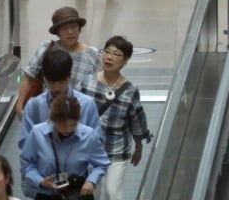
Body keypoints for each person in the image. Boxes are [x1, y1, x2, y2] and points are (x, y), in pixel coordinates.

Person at [80, 36, 151, 200]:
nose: (109, 57)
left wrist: (138, 147)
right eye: (107, 52)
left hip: (117, 149)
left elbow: (137, 120)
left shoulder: (130, 90)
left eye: (116, 54)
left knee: (113, 192)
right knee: (90, 192)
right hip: (89, 148)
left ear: (125, 60)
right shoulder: (87, 83)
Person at [20, 94, 109, 199]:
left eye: (73, 125)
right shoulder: (37, 133)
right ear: (54, 120)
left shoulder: (88, 136)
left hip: (76, 194)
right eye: (62, 125)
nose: (68, 129)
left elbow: (102, 164)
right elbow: (27, 164)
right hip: (46, 194)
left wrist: (91, 180)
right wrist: (40, 180)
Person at [16, 7, 99, 118]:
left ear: (79, 29)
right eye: (64, 28)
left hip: (79, 114)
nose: (70, 32)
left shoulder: (92, 54)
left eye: (74, 27)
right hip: (48, 112)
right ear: (57, 32)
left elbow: (98, 88)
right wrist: (20, 106)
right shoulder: (47, 48)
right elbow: (29, 78)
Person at [19, 48, 101, 147]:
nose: (57, 88)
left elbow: (97, 140)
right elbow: (25, 143)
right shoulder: (34, 106)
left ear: (69, 76)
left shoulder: (86, 105)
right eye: (52, 82)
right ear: (45, 78)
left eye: (62, 82)